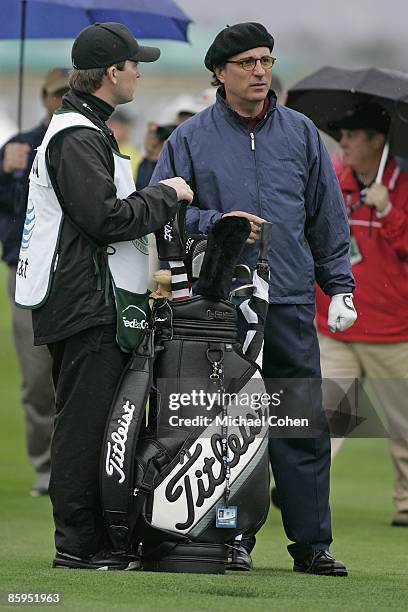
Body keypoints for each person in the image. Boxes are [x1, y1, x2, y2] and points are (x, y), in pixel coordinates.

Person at [151, 22, 357, 576]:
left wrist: (340, 285)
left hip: (288, 302)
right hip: (223, 311)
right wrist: (220, 223)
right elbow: (164, 212)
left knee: (302, 426)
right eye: (246, 62)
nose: (260, 71)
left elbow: (326, 216)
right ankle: (232, 537)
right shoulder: (189, 138)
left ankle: (312, 544)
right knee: (227, 432)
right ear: (219, 73)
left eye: (265, 60)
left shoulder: (302, 133)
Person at [14, 22, 193, 570]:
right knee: (86, 426)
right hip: (87, 301)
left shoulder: (83, 128)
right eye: (135, 64)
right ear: (112, 73)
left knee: (95, 423)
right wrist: (163, 194)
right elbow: (103, 219)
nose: (140, 72)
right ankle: (78, 544)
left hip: (89, 298)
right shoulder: (75, 134)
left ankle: (99, 539)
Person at [316, 103, 408, 528]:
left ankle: (406, 506)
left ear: (378, 140)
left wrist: (389, 211)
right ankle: (307, 491)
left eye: (352, 134)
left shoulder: (401, 186)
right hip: (337, 326)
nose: (344, 142)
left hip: (395, 331)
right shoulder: (332, 178)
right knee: (324, 421)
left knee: (404, 430)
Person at [0, 68, 70, 497]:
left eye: (69, 92)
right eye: (56, 94)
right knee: (37, 376)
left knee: (77, 372)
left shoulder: (86, 139)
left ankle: (73, 463)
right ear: (44, 98)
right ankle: (44, 465)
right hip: (26, 272)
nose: (61, 100)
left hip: (74, 271)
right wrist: (6, 174)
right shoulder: (17, 147)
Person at [106, 110, 141, 179]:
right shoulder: (102, 146)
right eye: (122, 126)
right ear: (111, 125)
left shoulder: (132, 152)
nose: (127, 129)